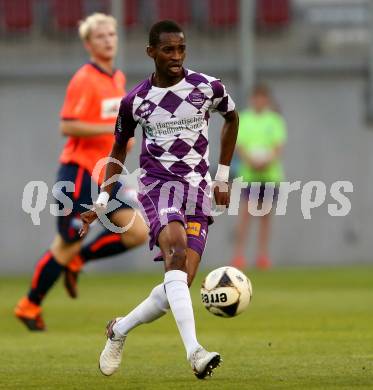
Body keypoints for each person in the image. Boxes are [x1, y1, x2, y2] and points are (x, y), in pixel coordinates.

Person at [79, 20, 239, 379]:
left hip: (197, 189)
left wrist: (223, 175)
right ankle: (195, 352)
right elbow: (118, 148)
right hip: (158, 186)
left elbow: (232, 117)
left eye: (181, 49)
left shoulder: (207, 87)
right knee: (176, 254)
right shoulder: (135, 101)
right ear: (151, 52)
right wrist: (103, 200)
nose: (176, 56)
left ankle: (119, 329)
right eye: (168, 50)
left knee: (177, 282)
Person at [14, 13, 148, 331]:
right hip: (78, 174)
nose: (108, 40)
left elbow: (118, 127)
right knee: (67, 243)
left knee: (137, 232)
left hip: (105, 178)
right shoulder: (84, 78)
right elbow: (67, 125)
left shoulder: (116, 78)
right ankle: (29, 304)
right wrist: (113, 130)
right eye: (100, 36)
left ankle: (79, 262)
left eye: (112, 34)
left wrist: (123, 140)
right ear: (88, 43)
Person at [230, 84, 287, 270]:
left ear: (267, 100)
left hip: (269, 175)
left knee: (265, 217)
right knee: (245, 215)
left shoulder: (275, 120)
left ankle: (262, 256)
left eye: (263, 98)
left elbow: (278, 145)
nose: (259, 101)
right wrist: (250, 160)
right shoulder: (244, 119)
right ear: (252, 99)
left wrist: (267, 160)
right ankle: (239, 256)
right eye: (256, 97)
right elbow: (239, 144)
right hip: (249, 175)